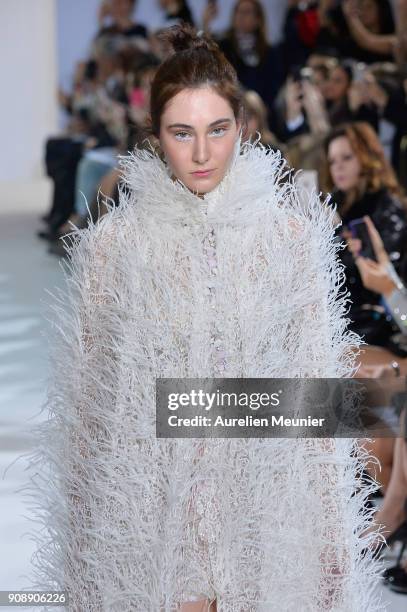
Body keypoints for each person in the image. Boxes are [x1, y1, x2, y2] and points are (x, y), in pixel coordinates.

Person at [25, 25, 384, 610]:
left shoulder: (290, 239)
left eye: (218, 131)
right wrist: (86, 555)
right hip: (152, 507)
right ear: (156, 135)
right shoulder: (116, 248)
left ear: (242, 128)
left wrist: (332, 554)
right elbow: (92, 412)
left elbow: (319, 402)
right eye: (181, 133)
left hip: (265, 506)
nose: (200, 154)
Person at [323, 122, 407, 349]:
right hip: (339, 321)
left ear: (366, 158)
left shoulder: (387, 210)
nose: (338, 167)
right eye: (333, 161)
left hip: (378, 325)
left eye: (347, 158)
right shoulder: (332, 206)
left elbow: (372, 276)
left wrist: (339, 233)